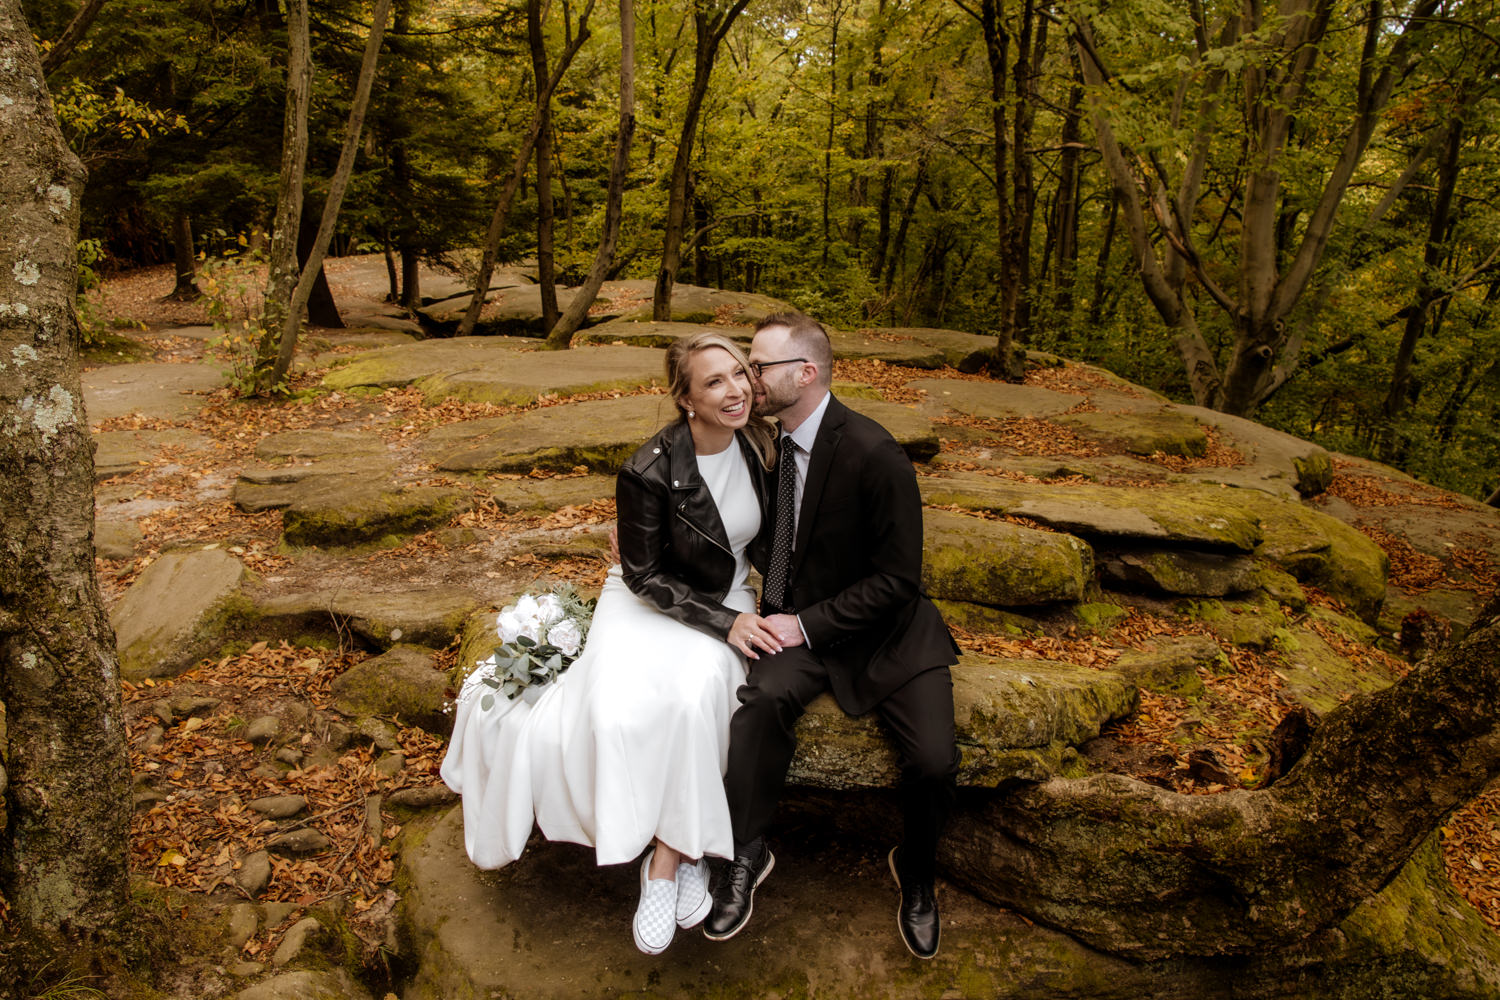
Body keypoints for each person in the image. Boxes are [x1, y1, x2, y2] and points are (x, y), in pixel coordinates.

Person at [441, 331, 784, 956]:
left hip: (725, 596)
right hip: (648, 602)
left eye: (739, 373)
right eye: (714, 382)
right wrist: (725, 624)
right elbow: (644, 575)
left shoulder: (764, 447)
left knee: (695, 698)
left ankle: (667, 860)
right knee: (613, 710)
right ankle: (684, 855)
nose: (735, 390)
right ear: (686, 400)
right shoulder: (647, 468)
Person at [703, 312, 961, 959]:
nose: (749, 379)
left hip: (886, 634)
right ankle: (746, 852)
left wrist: (807, 624)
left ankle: (917, 871)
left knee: (934, 760)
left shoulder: (876, 454)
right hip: (794, 625)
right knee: (759, 705)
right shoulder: (764, 447)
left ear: (806, 373)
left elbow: (899, 580)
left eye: (758, 367)